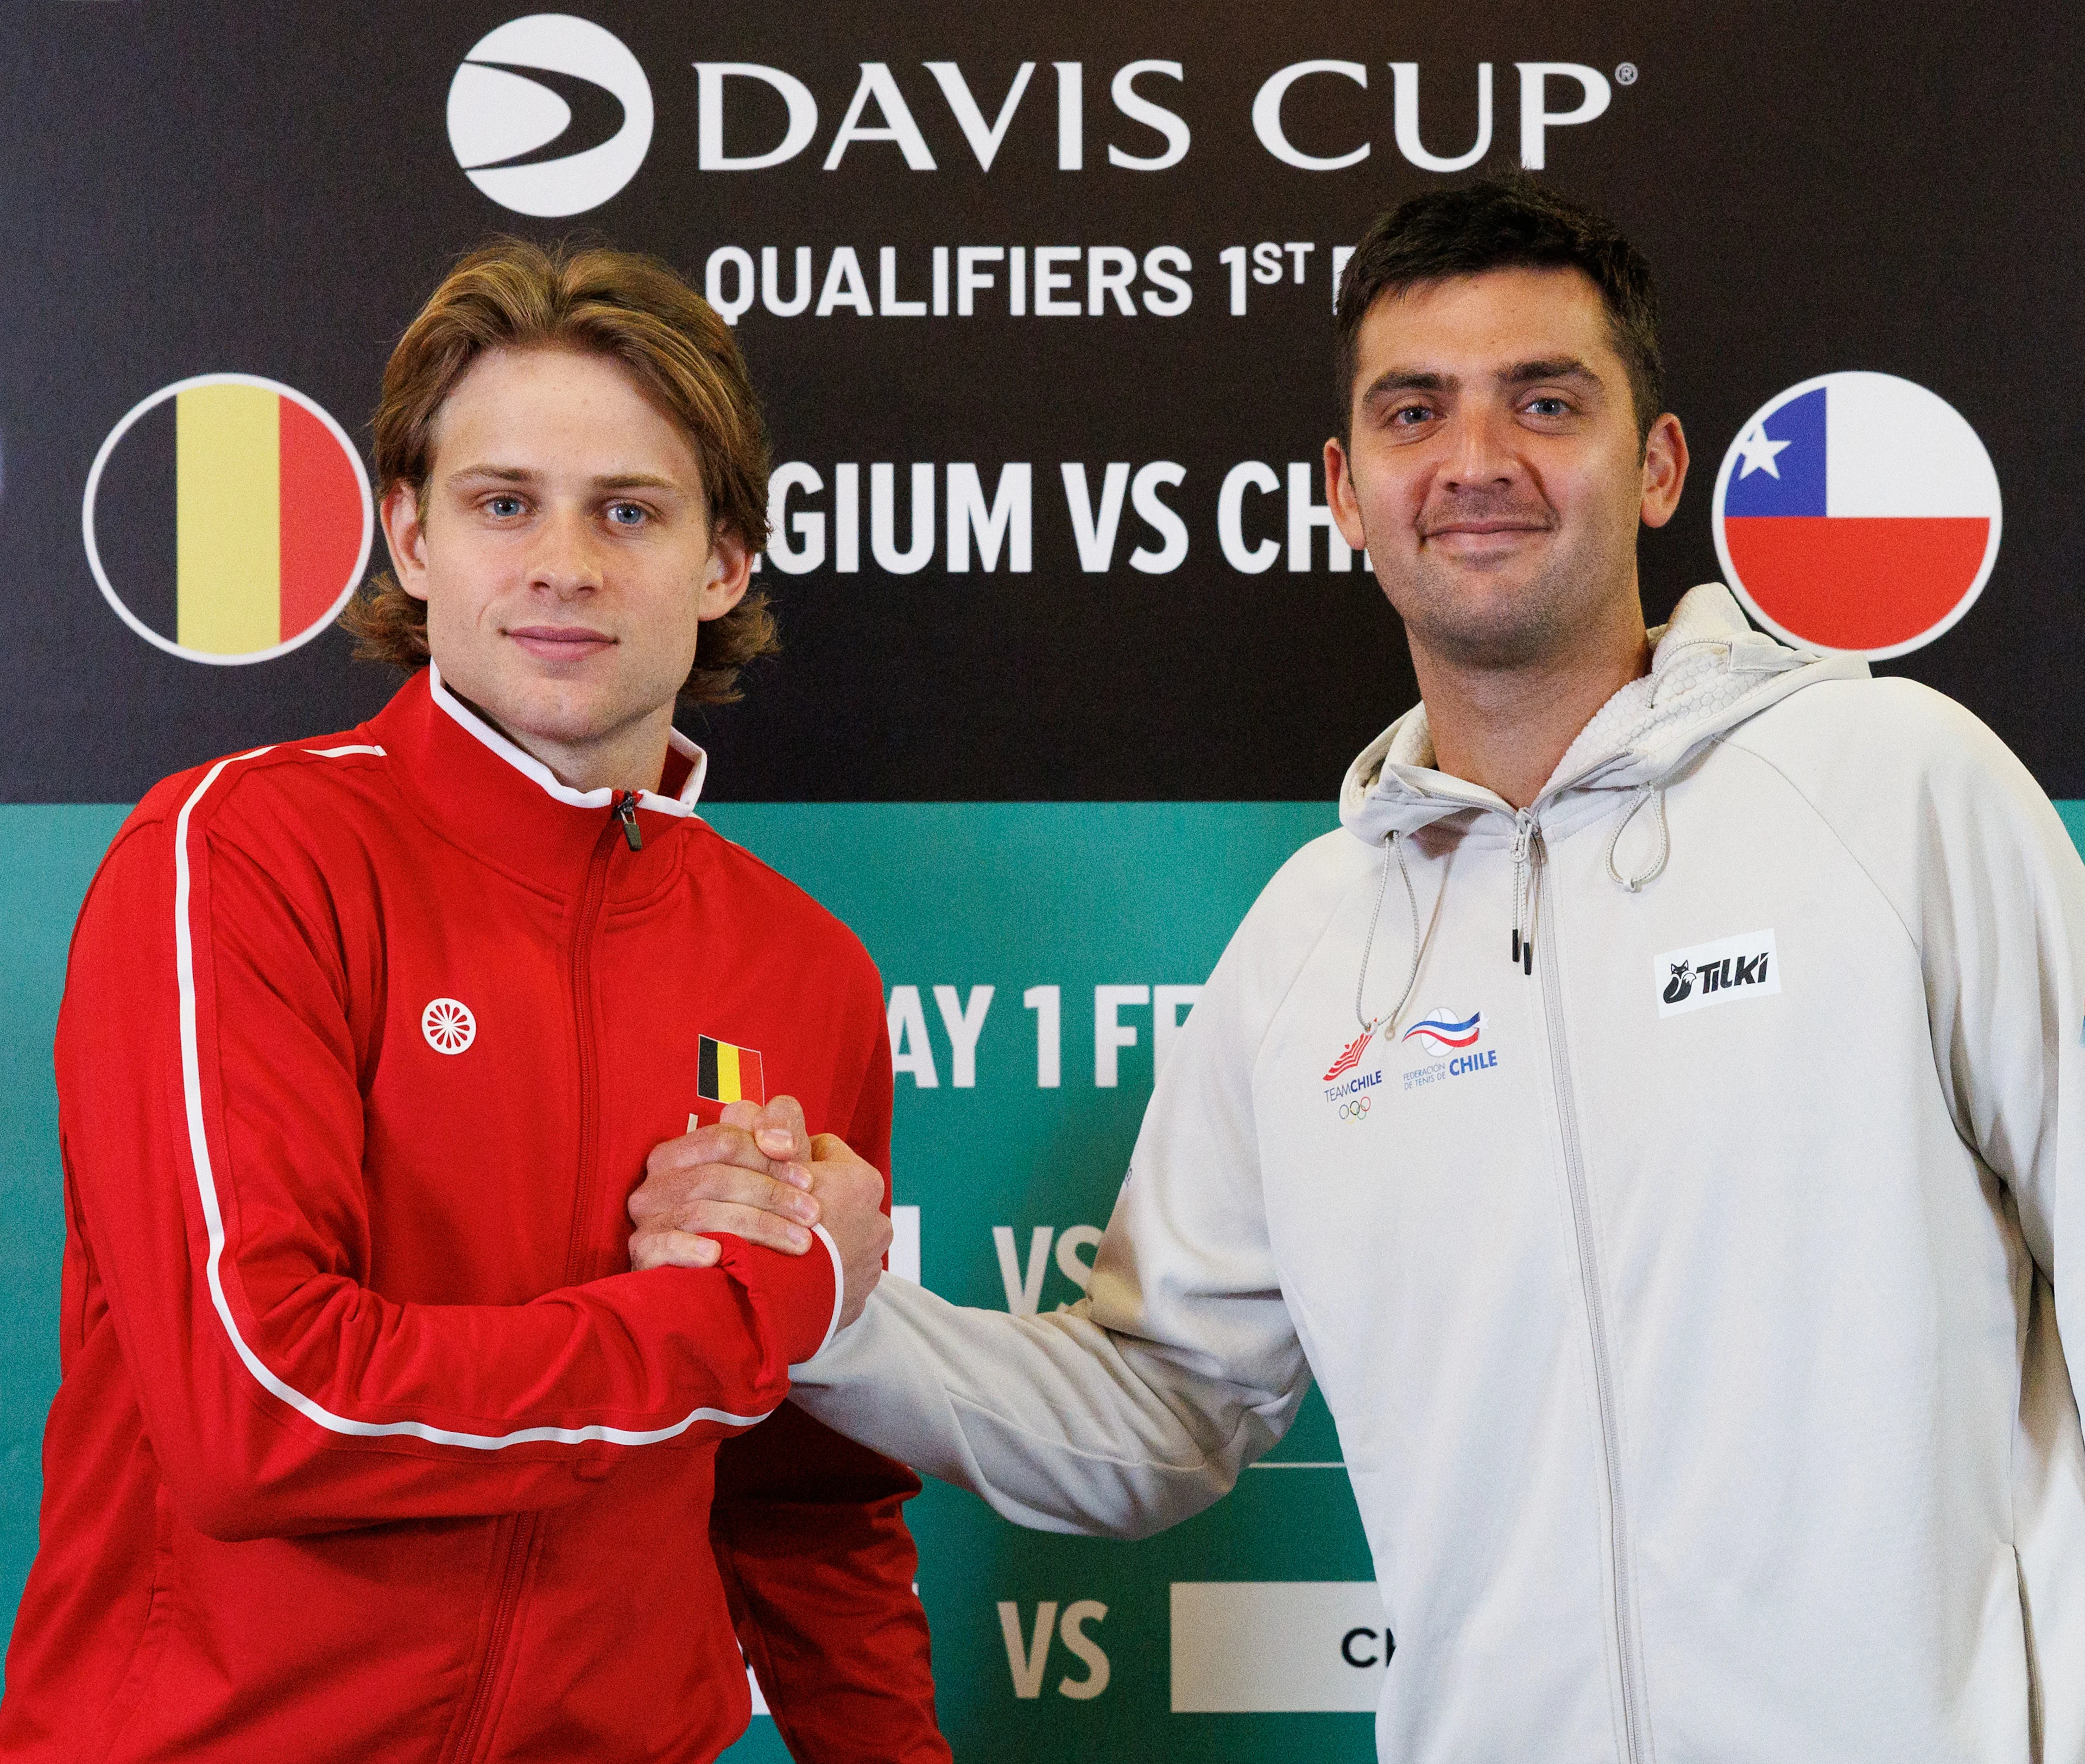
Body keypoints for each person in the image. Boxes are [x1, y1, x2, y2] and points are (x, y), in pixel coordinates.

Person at [636, 176, 2085, 1762]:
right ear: (1343, 487)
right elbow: (1164, 1411)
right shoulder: (1310, 945)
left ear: (1659, 465)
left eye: (1546, 402)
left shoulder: (1898, 788)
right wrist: (832, 1309)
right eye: (1415, 413)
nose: (1477, 462)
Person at [0, 241, 949, 1763]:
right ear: (410, 538)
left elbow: (805, 1507)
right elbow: (265, 1413)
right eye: (503, 504)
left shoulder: (803, 969)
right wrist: (747, 1306)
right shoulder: (240, 854)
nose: (563, 562)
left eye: (628, 511)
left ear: (725, 563)